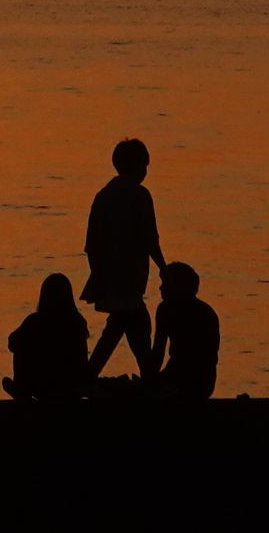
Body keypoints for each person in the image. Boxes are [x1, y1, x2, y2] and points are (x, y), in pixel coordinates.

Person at [83, 138, 163, 378]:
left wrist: (98, 273)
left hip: (108, 276)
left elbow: (91, 244)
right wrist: (164, 267)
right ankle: (147, 379)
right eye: (144, 165)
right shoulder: (140, 195)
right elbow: (150, 239)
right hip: (130, 278)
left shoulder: (103, 196)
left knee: (123, 324)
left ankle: (90, 376)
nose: (145, 170)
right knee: (133, 324)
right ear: (138, 165)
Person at [4, 272, 95, 400]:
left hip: (41, 387)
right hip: (71, 388)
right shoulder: (77, 322)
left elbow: (12, 344)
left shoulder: (35, 321)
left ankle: (21, 387)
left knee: (21, 344)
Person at [151, 261, 219, 400]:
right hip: (179, 375)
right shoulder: (165, 309)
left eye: (165, 283)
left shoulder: (203, 314)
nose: (160, 287)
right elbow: (158, 353)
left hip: (199, 381)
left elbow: (205, 359)